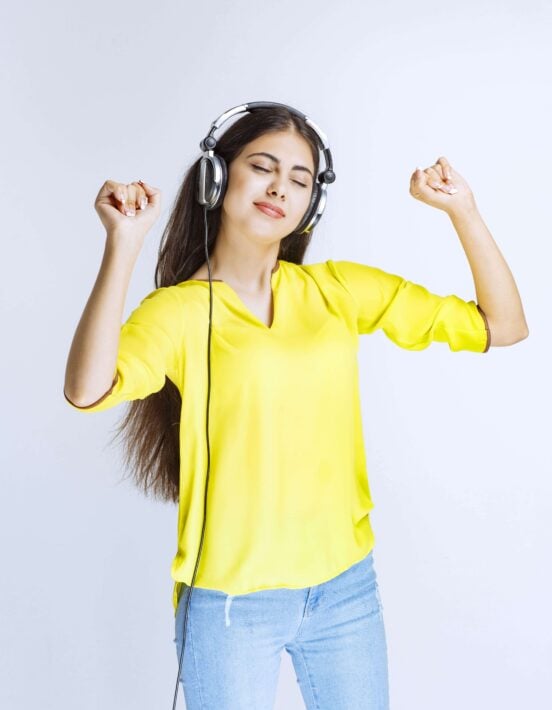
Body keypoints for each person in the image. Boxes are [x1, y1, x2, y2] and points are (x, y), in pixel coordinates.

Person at [63, 106, 529, 709]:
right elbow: (86, 389)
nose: (280, 186)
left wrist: (462, 210)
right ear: (216, 177)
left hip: (345, 594)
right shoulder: (177, 313)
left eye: (301, 179)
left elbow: (505, 326)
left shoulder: (336, 291)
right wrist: (123, 245)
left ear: (314, 203)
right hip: (231, 608)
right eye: (262, 166)